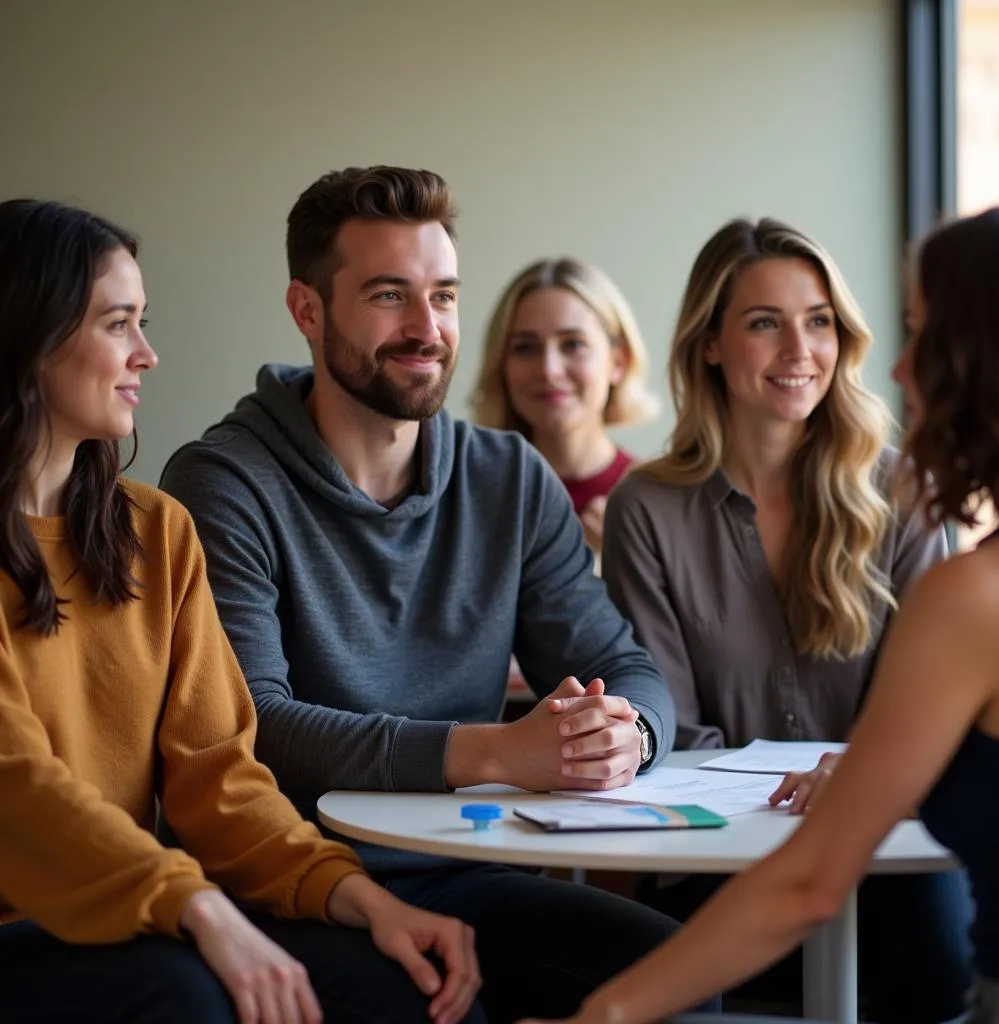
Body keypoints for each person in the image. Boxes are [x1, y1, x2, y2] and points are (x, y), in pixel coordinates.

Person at [159, 166, 701, 1024]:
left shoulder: (509, 478)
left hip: (469, 870)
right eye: (388, 296)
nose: (427, 329)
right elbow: (254, 724)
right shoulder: (224, 481)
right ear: (307, 310)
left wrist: (624, 733)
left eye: (443, 296)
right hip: (295, 880)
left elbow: (619, 663)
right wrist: (495, 754)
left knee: (675, 983)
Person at [523, 204, 999, 1024]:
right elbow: (671, 725)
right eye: (766, 324)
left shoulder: (970, 583)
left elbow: (808, 881)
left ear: (984, 360)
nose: (894, 372)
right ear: (711, 343)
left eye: (922, 338)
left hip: (889, 880)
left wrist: (602, 1018)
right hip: (716, 853)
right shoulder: (653, 503)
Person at [0, 198, 484, 1024]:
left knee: (404, 982)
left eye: (142, 322)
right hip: (42, 927)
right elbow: (19, 788)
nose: (147, 355)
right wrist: (198, 907)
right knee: (189, 996)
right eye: (119, 325)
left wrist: (360, 898)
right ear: (29, 339)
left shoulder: (156, 532)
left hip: (142, 910)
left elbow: (219, 779)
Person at [473, 257, 657, 556]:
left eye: (573, 344)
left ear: (618, 362)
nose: (549, 370)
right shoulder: (470, 500)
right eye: (525, 347)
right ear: (501, 366)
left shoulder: (660, 499)